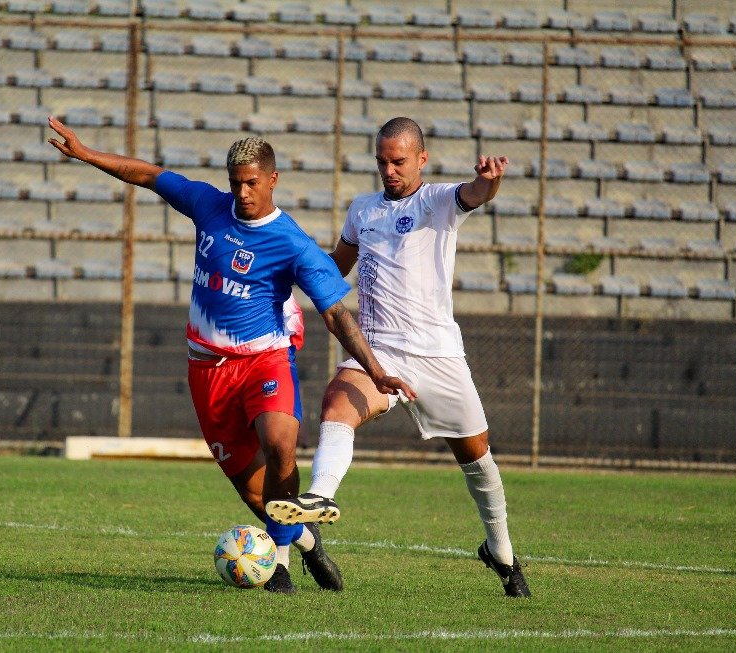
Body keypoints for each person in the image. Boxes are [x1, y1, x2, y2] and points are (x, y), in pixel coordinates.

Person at [47, 117, 415, 594]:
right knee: (254, 491)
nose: (242, 193)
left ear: (273, 180)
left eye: (252, 184)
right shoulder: (209, 207)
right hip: (207, 370)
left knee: (281, 441)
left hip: (265, 359)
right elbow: (150, 175)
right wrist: (87, 153)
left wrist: (377, 370)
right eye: (236, 183)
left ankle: (278, 563)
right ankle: (306, 540)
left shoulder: (293, 244)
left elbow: (336, 315)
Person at [265, 117, 531, 598]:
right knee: (337, 404)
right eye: (382, 161)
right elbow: (332, 270)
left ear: (422, 159)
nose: (389, 170)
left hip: (438, 355)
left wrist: (489, 183)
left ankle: (502, 551)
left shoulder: (437, 201)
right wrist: (286, 281)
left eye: (399, 161)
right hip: (380, 349)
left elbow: (473, 194)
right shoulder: (362, 210)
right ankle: (321, 495)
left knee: (478, 461)